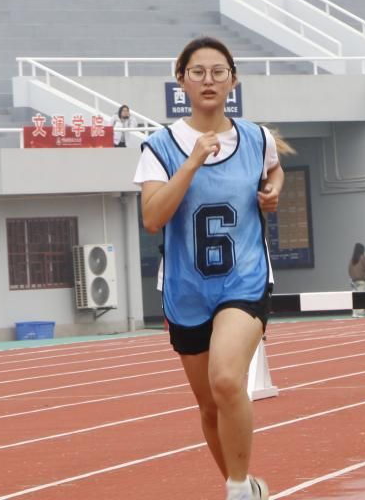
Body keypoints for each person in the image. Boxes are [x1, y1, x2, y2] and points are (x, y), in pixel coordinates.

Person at [134, 36, 284, 500]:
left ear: (233, 80)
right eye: (197, 72)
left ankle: (238, 490)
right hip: (186, 289)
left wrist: (273, 191)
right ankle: (243, 483)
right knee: (209, 405)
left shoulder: (256, 138)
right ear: (181, 80)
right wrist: (193, 162)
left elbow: (273, 169)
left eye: (219, 72)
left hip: (243, 280)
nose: (208, 80)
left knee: (226, 379)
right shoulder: (160, 146)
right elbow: (153, 217)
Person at [348, 243, 365, 318]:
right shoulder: (363, 258)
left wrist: (351, 279)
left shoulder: (352, 259)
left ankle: (357, 312)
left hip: (354, 281)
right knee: (362, 297)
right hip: (362, 280)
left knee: (356, 297)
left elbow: (349, 270)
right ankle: (361, 312)